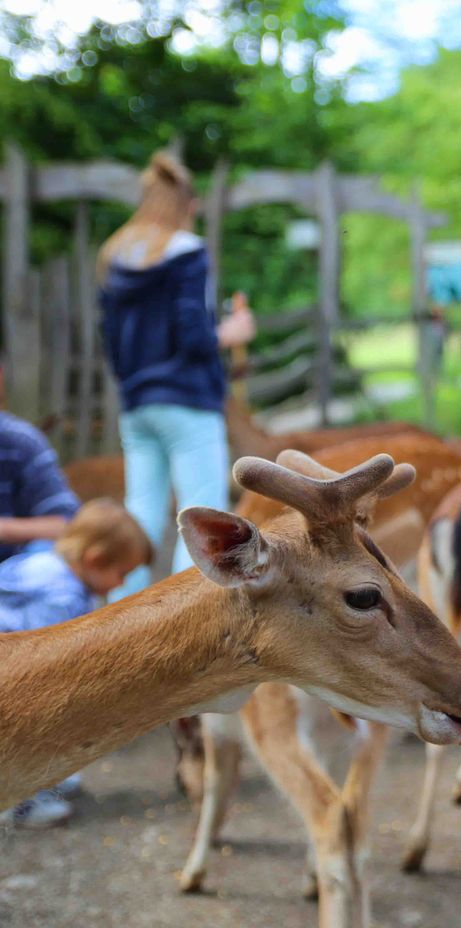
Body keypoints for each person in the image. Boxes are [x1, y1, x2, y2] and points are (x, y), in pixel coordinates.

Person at [98, 151, 255, 598]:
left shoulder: (115, 255)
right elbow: (193, 334)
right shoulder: (186, 252)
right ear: (185, 205)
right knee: (201, 511)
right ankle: (192, 617)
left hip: (136, 403)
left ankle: (120, 618)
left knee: (141, 508)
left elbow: (109, 339)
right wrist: (232, 331)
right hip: (187, 400)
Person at [0, 498, 150, 827]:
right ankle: (20, 802)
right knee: (37, 720)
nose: (122, 584)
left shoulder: (43, 558)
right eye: (121, 573)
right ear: (94, 559)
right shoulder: (62, 599)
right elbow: (45, 666)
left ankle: (47, 778)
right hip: (12, 680)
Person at [0, 383, 82, 563]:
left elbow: (68, 526)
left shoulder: (21, 441)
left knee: (48, 556)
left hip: (13, 577)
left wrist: (4, 529)